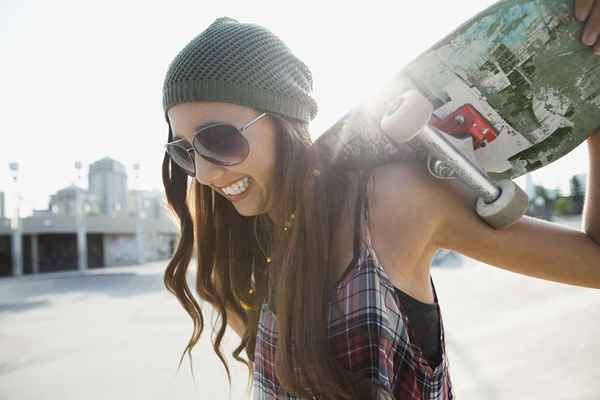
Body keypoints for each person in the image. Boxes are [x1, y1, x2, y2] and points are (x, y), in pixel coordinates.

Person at [160, 3, 600, 399]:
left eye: (218, 139)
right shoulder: (239, 250)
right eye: (183, 151)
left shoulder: (391, 204)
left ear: (286, 121)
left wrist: (594, 101)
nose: (205, 172)